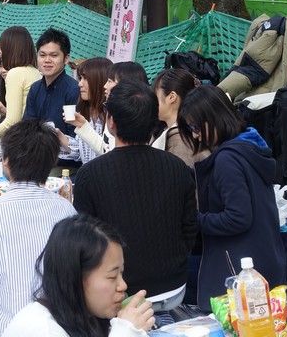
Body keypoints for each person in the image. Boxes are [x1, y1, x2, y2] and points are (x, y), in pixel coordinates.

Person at [73, 80, 197, 324]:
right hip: (174, 286)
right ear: (155, 121)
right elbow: (190, 230)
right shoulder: (178, 168)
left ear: (111, 122)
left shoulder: (90, 175)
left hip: (121, 294)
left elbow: (86, 243)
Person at [0, 120, 77, 337]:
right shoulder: (67, 210)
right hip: (57, 328)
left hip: (4, 329)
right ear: (51, 163)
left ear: (6, 161)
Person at [177, 85, 286, 311]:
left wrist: (195, 220)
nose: (195, 135)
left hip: (239, 271)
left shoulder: (227, 159)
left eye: (197, 127)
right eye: (191, 129)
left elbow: (238, 217)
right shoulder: (250, 146)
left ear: (215, 117)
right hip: (263, 261)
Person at [3, 214, 155, 337]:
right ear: (74, 277)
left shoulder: (84, 317)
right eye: (112, 276)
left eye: (121, 273)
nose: (123, 285)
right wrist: (126, 331)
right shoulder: (43, 330)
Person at [23, 28, 80, 173]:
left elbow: (77, 140)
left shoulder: (73, 90)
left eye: (53, 55)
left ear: (66, 59)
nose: (47, 60)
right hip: (37, 157)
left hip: (65, 163)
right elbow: (28, 126)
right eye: (42, 55)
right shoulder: (35, 88)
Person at [0, 26, 41, 142]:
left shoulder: (15, 73)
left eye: (2, 46)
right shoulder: (34, 71)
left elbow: (13, 121)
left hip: (23, 138)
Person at [57, 57, 112, 164]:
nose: (80, 84)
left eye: (85, 79)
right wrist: (60, 137)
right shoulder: (87, 111)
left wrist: (83, 127)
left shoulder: (111, 115)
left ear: (100, 81)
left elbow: (106, 151)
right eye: (80, 78)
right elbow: (82, 153)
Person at [150, 69, 209, 167]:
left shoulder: (181, 141)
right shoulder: (186, 133)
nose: (151, 102)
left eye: (155, 97)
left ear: (171, 97)